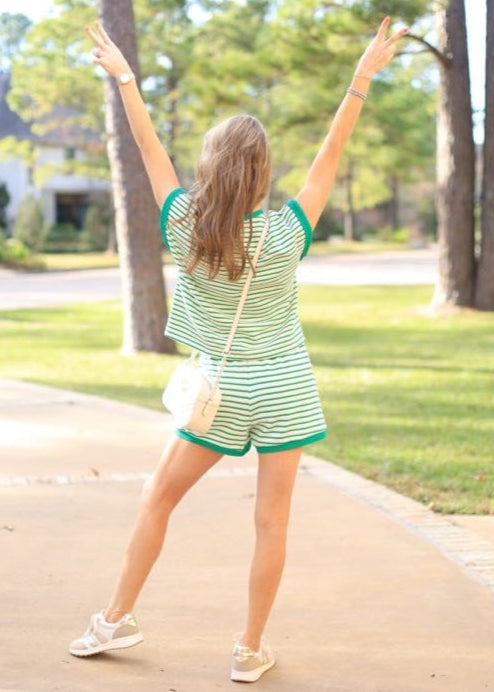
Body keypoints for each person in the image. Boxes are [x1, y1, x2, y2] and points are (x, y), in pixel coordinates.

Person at [70, 15, 409, 683]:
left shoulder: (183, 226)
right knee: (271, 523)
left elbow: (145, 149)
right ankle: (250, 650)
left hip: (220, 394)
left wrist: (126, 78)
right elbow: (330, 156)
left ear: (209, 166)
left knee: (156, 499)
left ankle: (116, 618)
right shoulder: (289, 231)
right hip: (286, 388)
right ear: (261, 174)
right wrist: (361, 78)